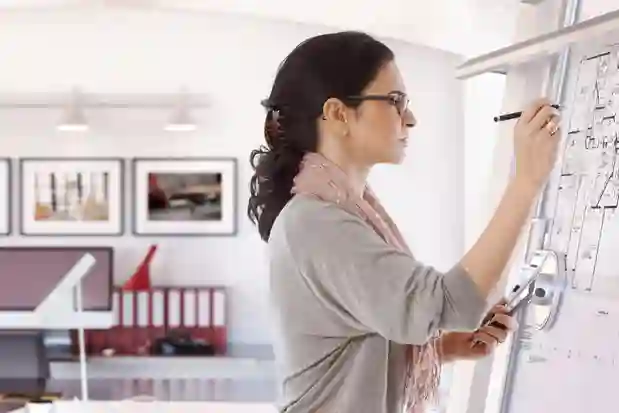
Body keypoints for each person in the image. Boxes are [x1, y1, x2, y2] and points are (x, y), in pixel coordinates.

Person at [247, 31, 560, 413]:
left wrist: (443, 348)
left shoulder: (339, 212)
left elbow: (352, 349)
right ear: (338, 114)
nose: (409, 119)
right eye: (396, 101)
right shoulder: (315, 223)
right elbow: (452, 302)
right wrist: (526, 181)